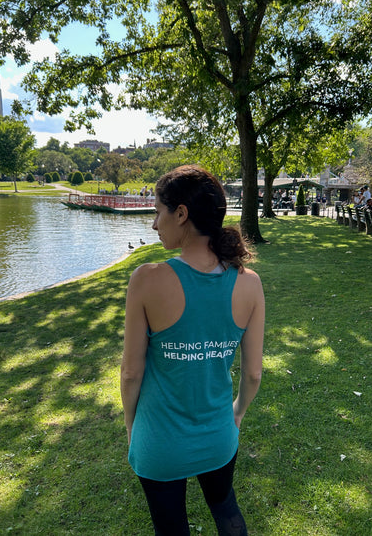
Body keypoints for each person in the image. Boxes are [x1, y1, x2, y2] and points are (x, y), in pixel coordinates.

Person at [121, 165, 265, 536]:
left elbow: (131, 373)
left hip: (159, 442)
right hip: (218, 437)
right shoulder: (249, 283)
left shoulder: (146, 279)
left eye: (157, 211)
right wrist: (236, 414)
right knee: (226, 509)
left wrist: (131, 427)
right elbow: (253, 374)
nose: (154, 224)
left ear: (181, 213)